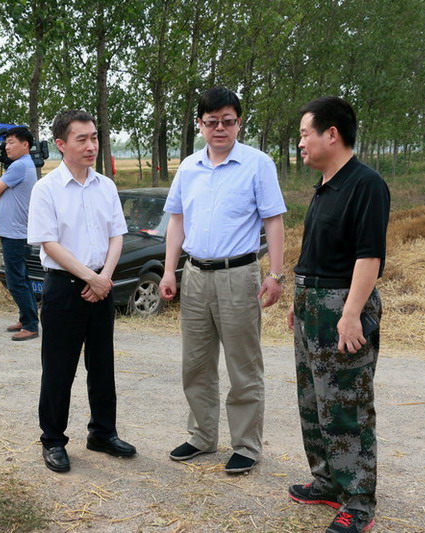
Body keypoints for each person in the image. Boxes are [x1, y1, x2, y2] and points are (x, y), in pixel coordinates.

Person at [159, 86, 286, 474]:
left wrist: (276, 274)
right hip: (195, 275)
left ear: (239, 122)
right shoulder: (188, 167)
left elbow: (273, 220)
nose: (219, 128)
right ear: (200, 124)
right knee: (195, 363)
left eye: (227, 121)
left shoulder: (257, 164)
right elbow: (177, 220)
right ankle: (201, 436)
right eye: (211, 122)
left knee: (243, 365)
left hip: (239, 275)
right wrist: (169, 270)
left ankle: (246, 444)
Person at [287, 96, 390, 533]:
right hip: (312, 304)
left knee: (347, 407)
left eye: (305, 134)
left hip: (341, 307)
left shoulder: (365, 184)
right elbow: (317, 251)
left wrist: (350, 315)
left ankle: (359, 501)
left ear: (332, 134)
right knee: (314, 402)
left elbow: (369, 257)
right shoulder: (326, 184)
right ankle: (327, 481)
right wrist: (298, 301)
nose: (300, 144)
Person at [27, 110, 136, 473]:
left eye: (94, 138)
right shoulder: (46, 189)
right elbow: (49, 243)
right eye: (82, 139)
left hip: (102, 286)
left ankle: (103, 433)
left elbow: (116, 235)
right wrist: (91, 277)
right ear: (61, 144)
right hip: (65, 287)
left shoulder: (106, 186)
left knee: (102, 366)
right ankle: (53, 440)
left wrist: (104, 277)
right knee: (58, 369)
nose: (91, 146)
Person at [0, 127, 39, 341]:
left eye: (11, 142)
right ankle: (27, 318)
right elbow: (1, 193)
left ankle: (31, 325)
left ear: (25, 144)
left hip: (15, 233)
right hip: (15, 231)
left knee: (15, 279)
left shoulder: (19, 165)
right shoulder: (24, 164)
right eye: (6, 143)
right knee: (22, 278)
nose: (7, 147)